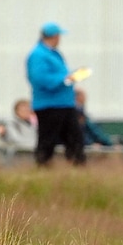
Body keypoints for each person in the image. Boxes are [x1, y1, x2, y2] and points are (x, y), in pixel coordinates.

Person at [26, 21, 86, 166]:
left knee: (75, 139)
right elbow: (39, 78)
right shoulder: (38, 55)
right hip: (49, 105)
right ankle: (42, 167)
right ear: (53, 36)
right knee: (47, 140)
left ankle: (78, 168)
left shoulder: (53, 53)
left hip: (64, 103)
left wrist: (70, 78)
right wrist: (64, 79)